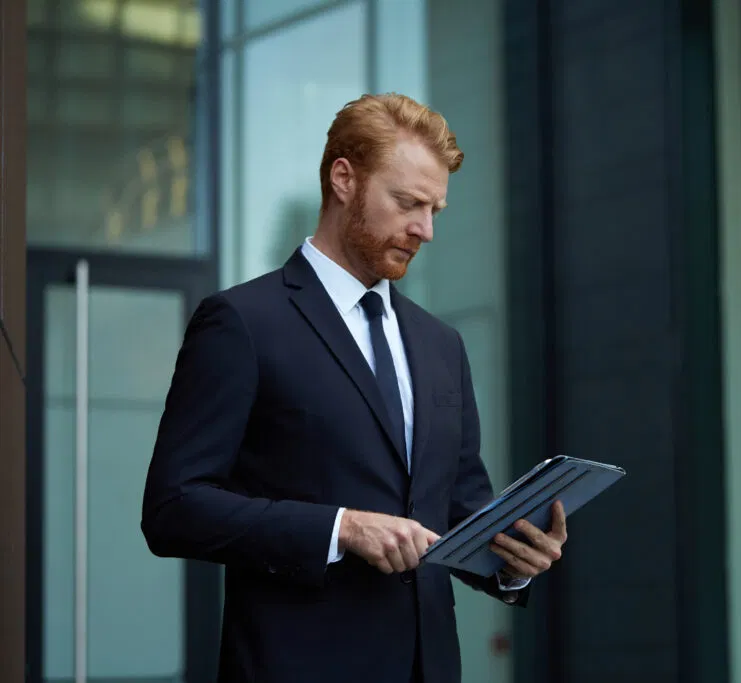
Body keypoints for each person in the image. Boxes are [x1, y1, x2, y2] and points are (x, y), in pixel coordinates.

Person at [141, 93, 567, 683]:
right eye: (408, 203)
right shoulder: (242, 322)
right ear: (344, 178)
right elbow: (172, 508)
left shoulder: (442, 345)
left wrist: (512, 559)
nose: (426, 229)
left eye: (436, 209)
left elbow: (458, 511)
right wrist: (341, 528)